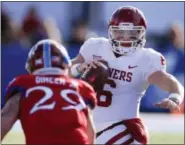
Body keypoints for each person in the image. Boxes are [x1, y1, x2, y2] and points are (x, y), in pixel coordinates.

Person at [70, 6, 184, 144]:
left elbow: (169, 81)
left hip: (121, 128)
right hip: (88, 125)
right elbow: (64, 70)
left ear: (141, 34)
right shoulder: (95, 46)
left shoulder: (146, 59)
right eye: (120, 32)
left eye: (132, 33)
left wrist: (175, 96)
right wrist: (79, 68)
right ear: (111, 31)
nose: (125, 38)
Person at [1, 39, 97, 144]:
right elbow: (90, 131)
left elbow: (6, 117)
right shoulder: (82, 87)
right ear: (65, 63)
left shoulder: (24, 83)